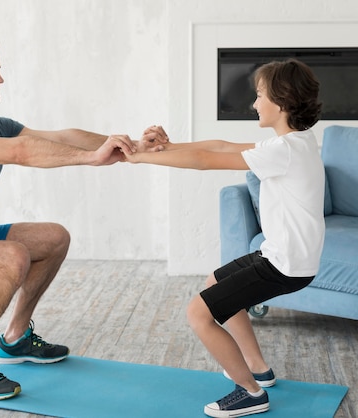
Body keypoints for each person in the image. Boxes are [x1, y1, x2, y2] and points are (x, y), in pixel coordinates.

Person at [0, 29, 168, 401]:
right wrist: (92, 158)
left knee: (54, 237)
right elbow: (21, 151)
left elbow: (61, 137)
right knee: (13, 256)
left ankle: (15, 339)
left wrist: (129, 145)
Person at [124, 59, 324, 417]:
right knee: (215, 281)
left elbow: (204, 160)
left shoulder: (285, 150)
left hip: (285, 263)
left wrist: (141, 157)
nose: (254, 103)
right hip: (283, 256)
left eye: (259, 95)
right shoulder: (295, 142)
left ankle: (249, 392)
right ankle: (258, 370)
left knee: (198, 313)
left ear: (281, 101)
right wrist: (166, 146)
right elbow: (221, 144)